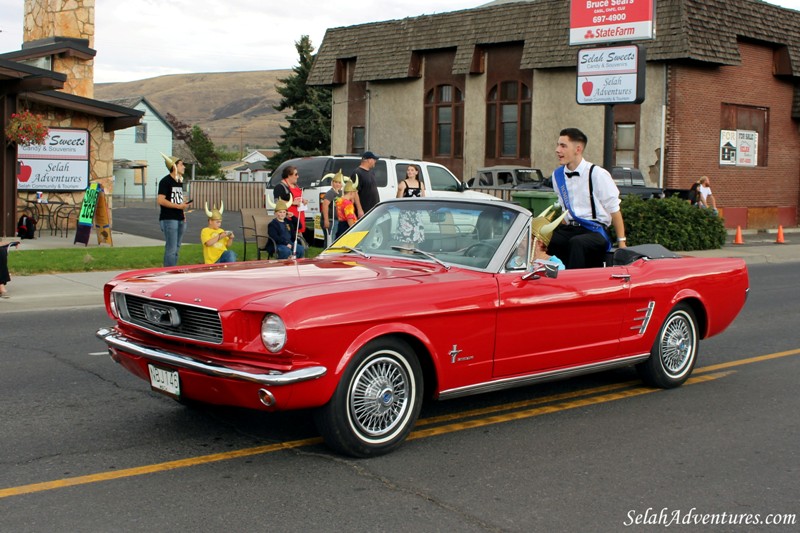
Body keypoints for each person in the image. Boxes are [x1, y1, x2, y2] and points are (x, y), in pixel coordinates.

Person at [548, 127, 627, 269]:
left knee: (577, 243)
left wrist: (622, 243)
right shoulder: (557, 175)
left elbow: (614, 210)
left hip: (595, 230)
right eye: (558, 145)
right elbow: (565, 212)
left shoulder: (597, 174)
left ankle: (573, 284)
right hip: (572, 229)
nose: (557, 150)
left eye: (563, 146)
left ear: (577, 149)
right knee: (549, 240)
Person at [157, 153, 190, 267]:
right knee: (171, 248)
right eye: (181, 165)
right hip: (169, 219)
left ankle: (173, 270)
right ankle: (168, 272)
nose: (184, 167)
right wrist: (178, 206)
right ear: (174, 166)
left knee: (177, 247)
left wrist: (183, 209)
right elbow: (161, 200)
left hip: (180, 218)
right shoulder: (165, 181)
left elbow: (176, 200)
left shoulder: (179, 181)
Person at [273, 165, 308, 234]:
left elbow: (297, 197)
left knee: (299, 236)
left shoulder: (296, 185)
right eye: (296, 174)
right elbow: (277, 201)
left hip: (299, 215)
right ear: (289, 175)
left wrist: (303, 200)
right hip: (289, 216)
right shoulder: (279, 187)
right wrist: (292, 203)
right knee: (291, 236)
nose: (298, 176)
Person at [530, 205, 566, 270]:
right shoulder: (517, 260)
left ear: (539, 243)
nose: (521, 241)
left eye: (526, 238)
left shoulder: (554, 264)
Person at [352, 151, 380, 217]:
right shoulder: (357, 173)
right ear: (369, 160)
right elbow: (354, 192)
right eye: (374, 159)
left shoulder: (371, 172)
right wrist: (359, 209)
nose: (375, 161)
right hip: (364, 211)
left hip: (373, 209)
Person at [321, 170, 344, 246]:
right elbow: (325, 205)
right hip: (331, 220)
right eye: (336, 182)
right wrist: (326, 220)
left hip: (337, 220)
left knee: (334, 240)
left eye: (339, 182)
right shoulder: (331, 193)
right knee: (329, 240)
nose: (337, 184)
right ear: (332, 182)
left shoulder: (341, 193)